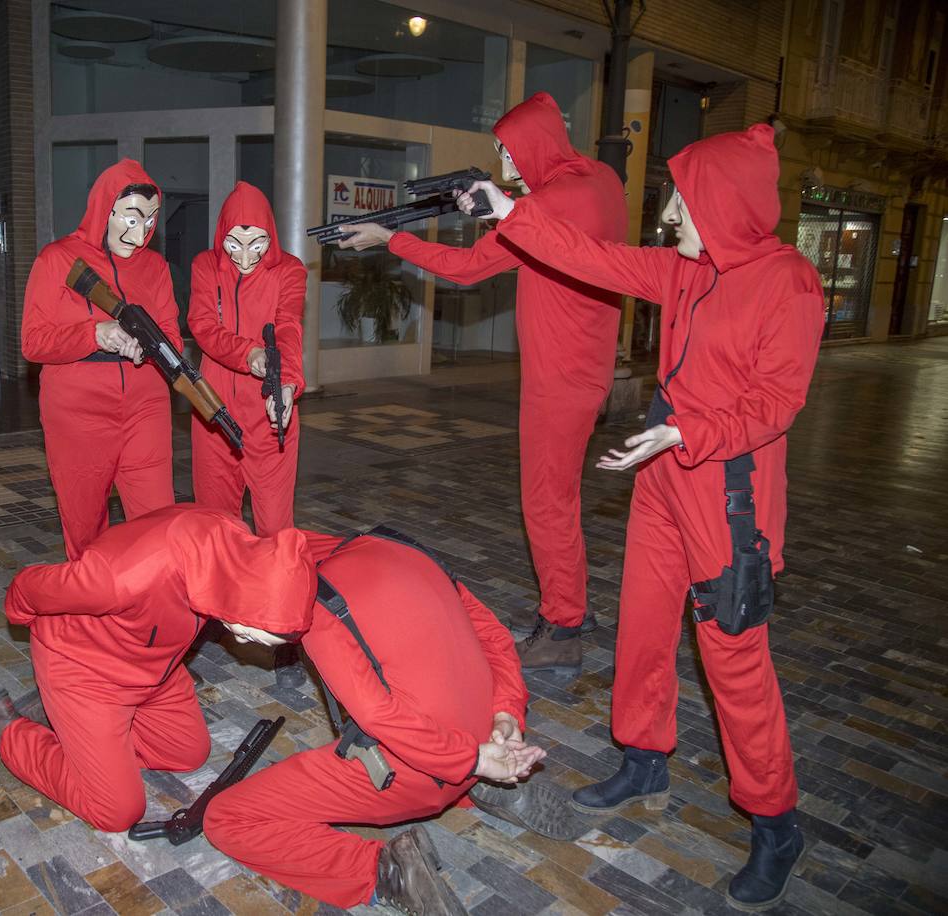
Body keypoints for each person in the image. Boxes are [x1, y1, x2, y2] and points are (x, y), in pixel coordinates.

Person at [469, 123, 822, 911]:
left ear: (724, 204)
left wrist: (691, 431)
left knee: (734, 660)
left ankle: (775, 822)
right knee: (643, 626)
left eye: (684, 201)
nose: (670, 217)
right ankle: (642, 758)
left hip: (727, 493)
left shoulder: (788, 282)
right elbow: (595, 259)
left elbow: (778, 402)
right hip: (663, 476)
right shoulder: (688, 272)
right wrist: (509, 209)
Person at [337, 93, 627, 679]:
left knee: (545, 502)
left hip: (561, 377)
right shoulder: (597, 179)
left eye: (510, 152)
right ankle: (572, 605)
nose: (505, 166)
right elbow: (548, 220)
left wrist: (388, 240)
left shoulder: (554, 200)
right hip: (584, 366)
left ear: (537, 145)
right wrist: (507, 207)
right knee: (560, 499)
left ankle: (564, 627)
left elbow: (469, 269)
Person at [204, 527, 546, 915]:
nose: (239, 638)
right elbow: (495, 636)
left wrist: (472, 761)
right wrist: (507, 713)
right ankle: (479, 788)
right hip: (489, 730)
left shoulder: (318, 613)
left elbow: (379, 714)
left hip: (430, 771)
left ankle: (385, 872)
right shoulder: (405, 546)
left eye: (243, 628)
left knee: (229, 817)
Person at [0, 505, 316, 834]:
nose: (248, 644)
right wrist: (27, 622)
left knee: (187, 754)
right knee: (116, 810)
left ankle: (76, 733)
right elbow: (29, 588)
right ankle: (3, 728)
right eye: (252, 635)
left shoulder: (238, 552)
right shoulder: (122, 577)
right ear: (243, 604)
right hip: (87, 668)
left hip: (155, 667)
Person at [22, 159, 179, 559]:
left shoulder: (156, 266)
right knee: (86, 528)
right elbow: (34, 342)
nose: (140, 230)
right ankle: (95, 612)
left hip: (146, 405)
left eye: (150, 220)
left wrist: (148, 346)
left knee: (158, 524)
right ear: (104, 209)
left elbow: (171, 336)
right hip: (78, 411)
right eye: (131, 216)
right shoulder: (57, 259)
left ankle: (154, 615)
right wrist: (96, 334)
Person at [188, 180, 306, 537]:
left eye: (257, 245)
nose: (244, 257)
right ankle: (220, 592)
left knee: (274, 525)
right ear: (221, 234)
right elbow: (203, 326)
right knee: (216, 524)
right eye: (234, 245)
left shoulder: (289, 270)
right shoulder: (206, 266)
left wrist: (286, 383)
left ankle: (274, 590)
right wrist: (248, 352)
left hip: (268, 413)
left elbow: (288, 328)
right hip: (214, 409)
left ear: (271, 235)